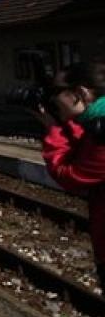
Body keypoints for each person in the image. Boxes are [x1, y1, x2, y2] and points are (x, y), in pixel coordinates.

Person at [40, 60, 105, 285]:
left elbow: (69, 175)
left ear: (81, 93)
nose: (53, 99)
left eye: (57, 92)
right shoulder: (95, 124)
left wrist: (54, 130)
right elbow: (84, 150)